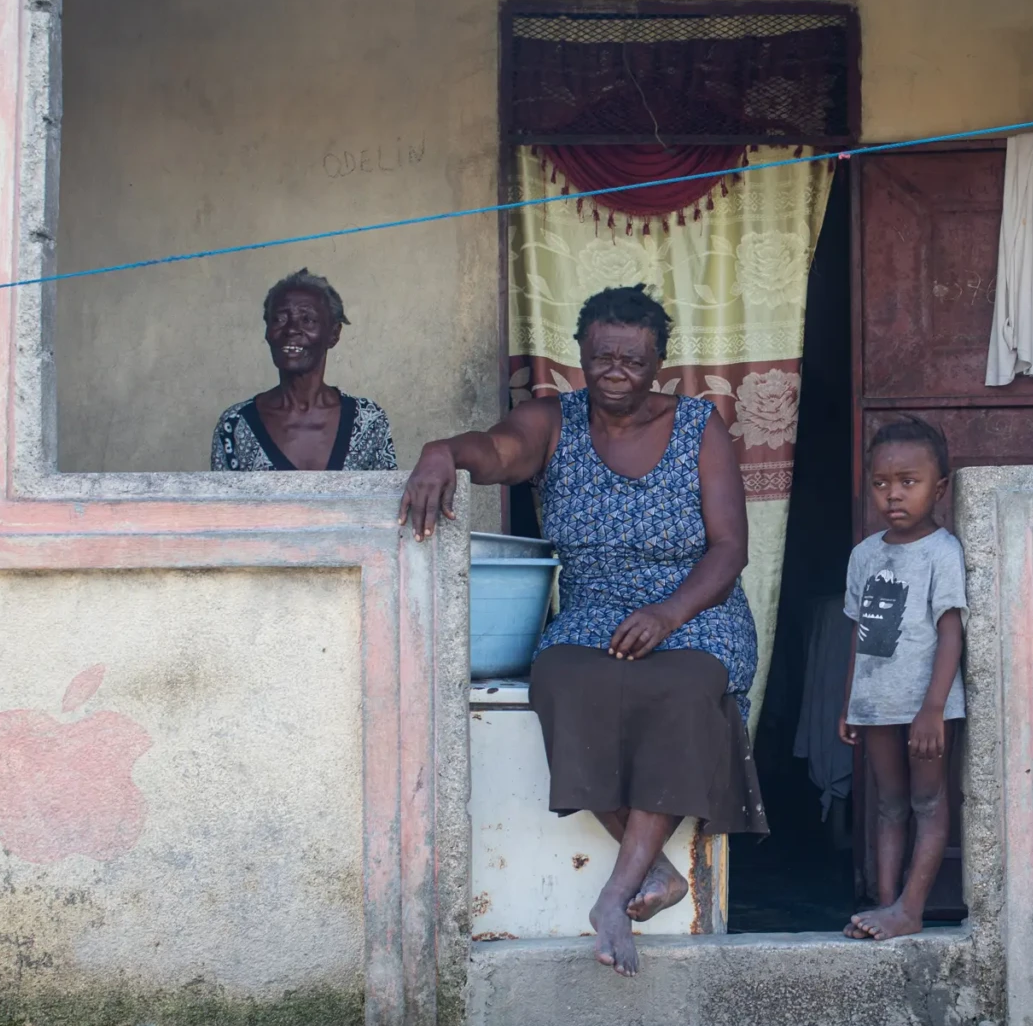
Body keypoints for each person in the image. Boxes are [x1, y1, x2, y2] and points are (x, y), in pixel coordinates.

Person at [402, 284, 765, 975]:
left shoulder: (698, 426)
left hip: (696, 607)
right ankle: (655, 871)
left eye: (633, 356)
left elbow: (729, 549)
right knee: (562, 677)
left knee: (684, 689)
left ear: (659, 359)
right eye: (603, 356)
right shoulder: (554, 420)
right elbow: (498, 449)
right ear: (581, 356)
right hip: (596, 607)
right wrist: (442, 451)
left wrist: (669, 613)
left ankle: (615, 895)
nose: (617, 369)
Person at [839, 416, 966, 941]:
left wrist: (934, 707)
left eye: (908, 482)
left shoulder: (942, 552)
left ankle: (911, 908)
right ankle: (884, 904)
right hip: (875, 703)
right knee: (887, 803)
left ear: (939, 488)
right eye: (881, 483)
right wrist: (849, 701)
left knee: (928, 802)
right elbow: (860, 632)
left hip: (926, 707)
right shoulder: (864, 554)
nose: (893, 494)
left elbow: (951, 630)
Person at [211, 269, 397, 471]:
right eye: (279, 319)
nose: (291, 329)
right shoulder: (235, 425)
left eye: (307, 319)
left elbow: (383, 501)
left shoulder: (369, 421)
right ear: (267, 332)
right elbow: (225, 502)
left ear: (333, 334)